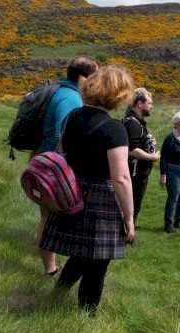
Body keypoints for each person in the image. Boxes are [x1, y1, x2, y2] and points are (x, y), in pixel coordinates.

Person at [39, 65, 135, 315]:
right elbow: (122, 178)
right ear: (118, 94)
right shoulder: (115, 129)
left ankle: (57, 294)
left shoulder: (74, 117)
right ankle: (87, 318)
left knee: (82, 254)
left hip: (72, 191)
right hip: (100, 199)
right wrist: (129, 217)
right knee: (97, 264)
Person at [34, 57, 98, 277]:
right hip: (55, 166)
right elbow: (66, 135)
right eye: (94, 77)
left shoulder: (63, 92)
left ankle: (52, 264)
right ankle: (50, 269)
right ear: (82, 78)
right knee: (49, 217)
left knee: (48, 216)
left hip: (47, 160)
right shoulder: (70, 98)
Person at [122, 88, 160, 228]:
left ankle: (127, 230)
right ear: (139, 104)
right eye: (149, 103)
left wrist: (148, 142)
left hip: (134, 172)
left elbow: (135, 143)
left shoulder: (134, 122)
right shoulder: (133, 123)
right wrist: (152, 157)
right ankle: (127, 234)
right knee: (132, 204)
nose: (151, 106)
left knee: (131, 205)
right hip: (135, 174)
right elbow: (131, 150)